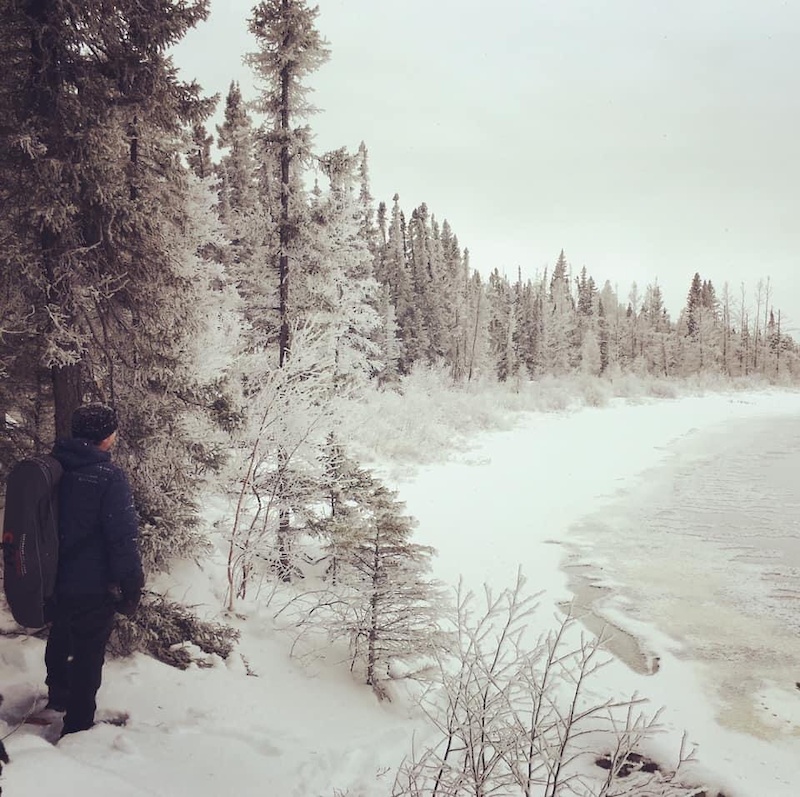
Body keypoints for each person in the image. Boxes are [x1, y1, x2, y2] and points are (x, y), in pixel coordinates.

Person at [45, 403, 144, 736]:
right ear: (106, 436)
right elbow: (122, 537)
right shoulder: (108, 477)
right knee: (87, 652)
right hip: (91, 583)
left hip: (52, 577)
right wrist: (131, 583)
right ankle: (77, 725)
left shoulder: (52, 468)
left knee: (61, 634)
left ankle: (57, 696)